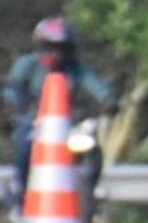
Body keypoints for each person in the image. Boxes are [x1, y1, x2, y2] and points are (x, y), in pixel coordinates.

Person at [6, 17, 117, 203]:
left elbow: (95, 85)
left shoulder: (76, 68)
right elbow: (11, 89)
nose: (56, 54)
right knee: (24, 145)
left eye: (62, 49)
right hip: (33, 123)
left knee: (92, 146)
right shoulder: (27, 64)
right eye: (50, 47)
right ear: (40, 46)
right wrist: (15, 104)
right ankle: (21, 189)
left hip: (68, 125)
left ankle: (91, 188)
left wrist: (108, 100)